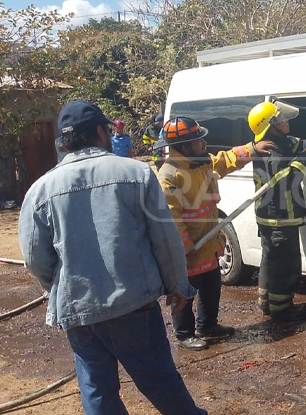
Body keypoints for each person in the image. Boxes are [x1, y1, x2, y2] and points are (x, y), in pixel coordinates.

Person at [18, 100, 206, 415]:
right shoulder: (137, 174)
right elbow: (165, 240)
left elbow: (35, 258)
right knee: (162, 384)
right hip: (134, 305)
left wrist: (61, 287)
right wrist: (178, 286)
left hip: (80, 312)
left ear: (64, 141)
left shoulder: (39, 190)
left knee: (98, 394)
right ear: (102, 133)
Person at [156, 116, 275, 350]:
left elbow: (226, 159)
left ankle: (208, 325)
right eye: (199, 141)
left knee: (211, 288)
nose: (205, 144)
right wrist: (185, 248)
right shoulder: (170, 176)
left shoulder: (202, 162)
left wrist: (252, 148)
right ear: (186, 146)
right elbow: (171, 220)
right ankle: (184, 333)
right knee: (185, 294)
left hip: (208, 245)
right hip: (187, 251)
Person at [247, 101, 306, 321]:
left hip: (269, 216)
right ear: (270, 126)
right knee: (285, 264)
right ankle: (281, 309)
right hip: (279, 216)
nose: (286, 121)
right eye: (280, 119)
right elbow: (284, 181)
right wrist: (303, 162)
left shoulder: (279, 142)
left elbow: (303, 144)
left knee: (270, 260)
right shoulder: (271, 151)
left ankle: (266, 302)